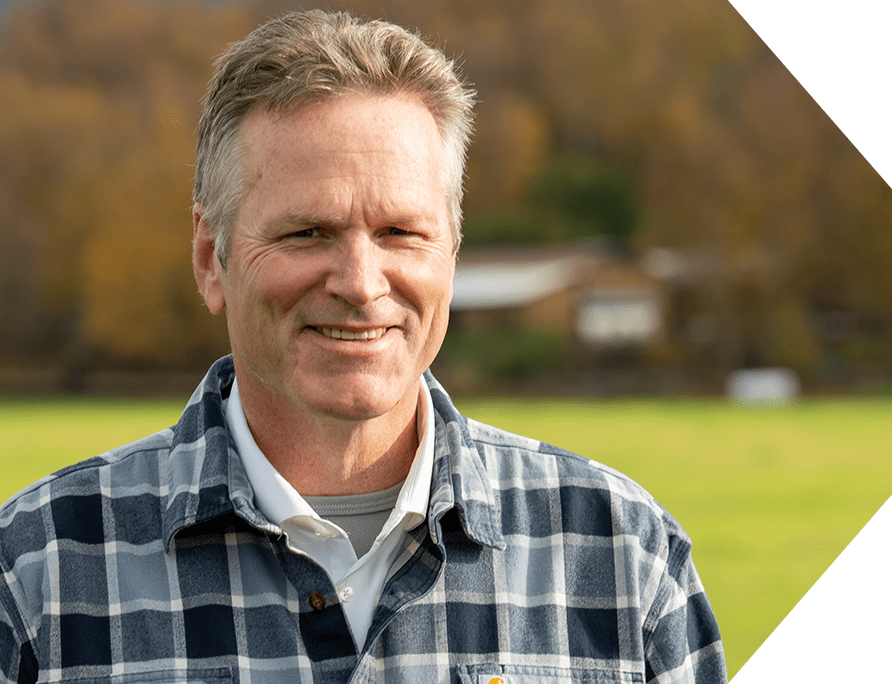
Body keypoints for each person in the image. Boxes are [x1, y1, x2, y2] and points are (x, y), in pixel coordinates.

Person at [0, 10, 726, 683]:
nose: (359, 281)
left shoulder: (624, 558)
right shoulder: (38, 573)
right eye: (306, 232)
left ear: (452, 252)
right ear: (209, 257)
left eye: (400, 233)